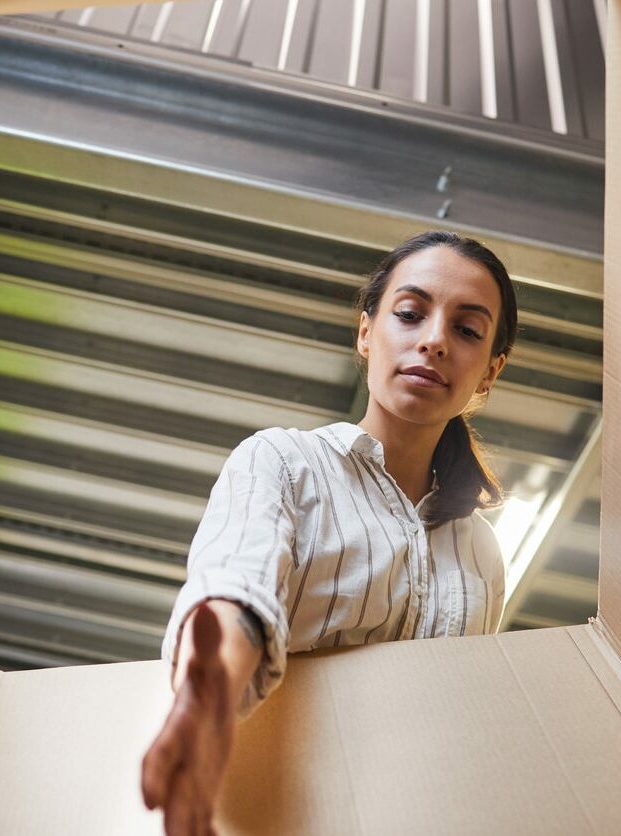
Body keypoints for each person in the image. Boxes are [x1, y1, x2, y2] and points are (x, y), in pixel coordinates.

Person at [140, 230, 517, 835]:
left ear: (490, 371)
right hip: (278, 813)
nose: (433, 341)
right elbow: (237, 588)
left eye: (467, 330)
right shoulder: (284, 462)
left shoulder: (482, 555)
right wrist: (208, 695)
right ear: (366, 332)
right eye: (410, 314)